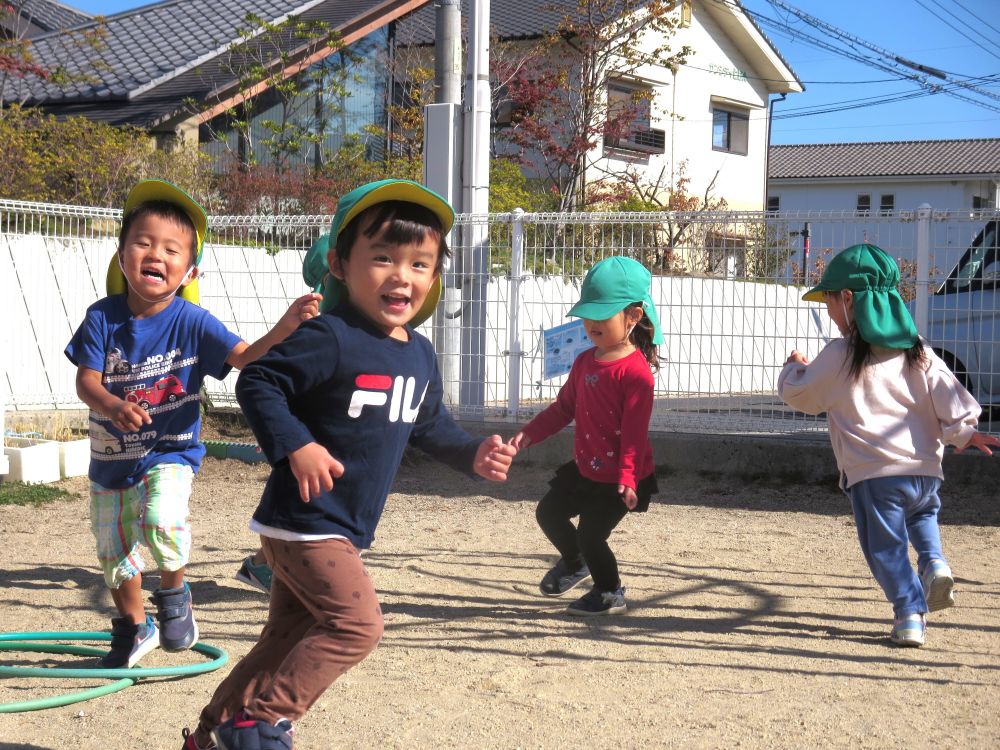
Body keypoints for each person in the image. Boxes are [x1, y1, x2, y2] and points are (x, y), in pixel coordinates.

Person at [180, 179, 516, 750]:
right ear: (339, 263)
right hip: (306, 521)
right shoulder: (329, 337)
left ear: (434, 277)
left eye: (419, 263)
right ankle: (262, 722)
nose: (400, 276)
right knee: (357, 625)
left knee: (284, 637)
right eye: (382, 257)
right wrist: (298, 446)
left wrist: (473, 454)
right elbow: (260, 380)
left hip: (338, 524)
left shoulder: (418, 351)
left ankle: (211, 736)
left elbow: (429, 425)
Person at [65, 179, 320, 669]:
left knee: (162, 519)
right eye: (142, 243)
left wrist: (287, 326)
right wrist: (113, 407)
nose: (155, 254)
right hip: (111, 459)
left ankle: (176, 597)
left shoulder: (194, 321)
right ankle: (135, 628)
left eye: (170, 249)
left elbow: (245, 357)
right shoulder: (102, 318)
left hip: (170, 450)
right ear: (122, 258)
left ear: (189, 270)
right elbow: (86, 383)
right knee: (113, 552)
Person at [778, 243, 999, 648]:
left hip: (874, 477)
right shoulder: (917, 350)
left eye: (829, 298)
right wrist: (965, 432)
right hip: (925, 473)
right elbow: (949, 395)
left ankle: (909, 614)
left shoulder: (841, 354)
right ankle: (934, 562)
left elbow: (802, 395)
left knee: (886, 549)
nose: (827, 309)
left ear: (848, 299)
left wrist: (795, 366)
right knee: (922, 519)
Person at [509, 256, 662, 616]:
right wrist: (527, 435)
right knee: (548, 513)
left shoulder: (636, 374)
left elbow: (635, 435)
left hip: (622, 476)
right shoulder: (584, 362)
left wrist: (627, 479)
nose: (591, 323)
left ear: (633, 317)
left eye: (602, 315)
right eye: (588, 314)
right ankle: (575, 562)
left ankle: (610, 591)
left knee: (592, 535)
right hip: (587, 467)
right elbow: (563, 409)